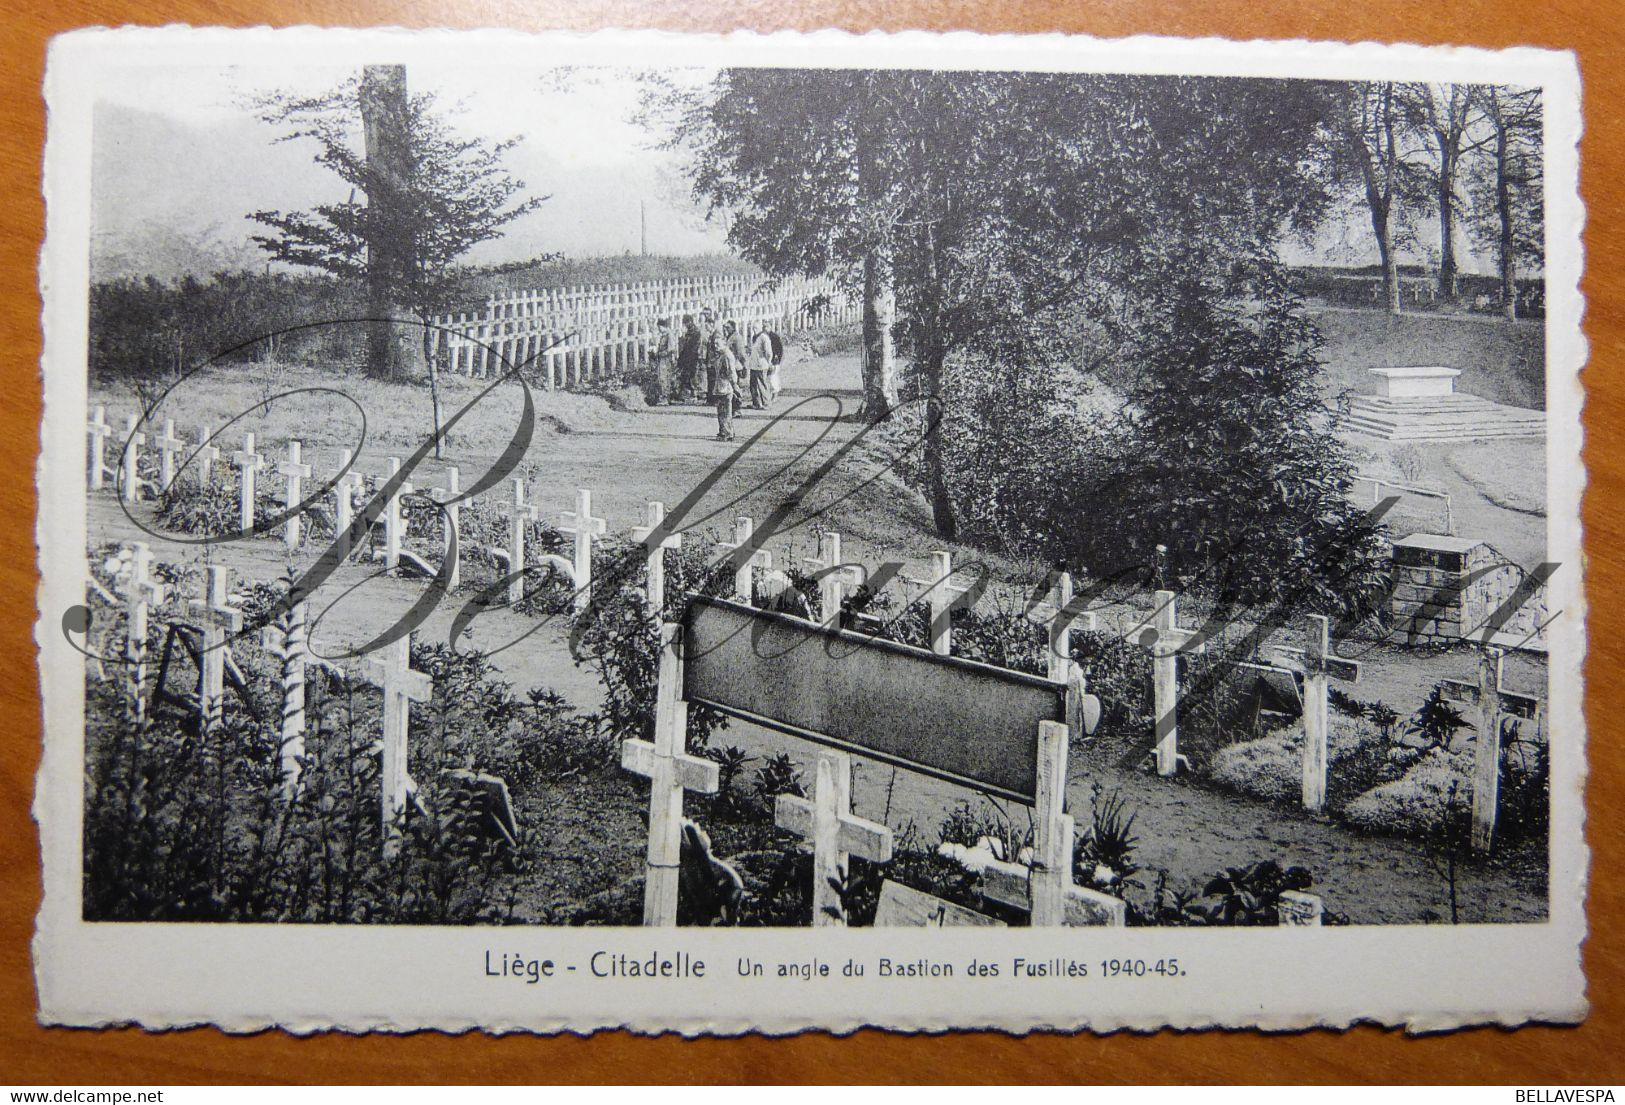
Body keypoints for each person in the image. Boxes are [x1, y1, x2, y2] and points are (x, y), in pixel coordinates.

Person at [705, 315, 743, 441]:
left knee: (725, 412)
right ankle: (725, 432)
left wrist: (735, 386)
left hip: (725, 388)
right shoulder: (721, 354)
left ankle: (726, 433)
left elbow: (731, 372)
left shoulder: (726, 355)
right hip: (721, 387)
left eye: (718, 344)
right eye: (714, 344)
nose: (715, 346)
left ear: (724, 343)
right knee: (722, 411)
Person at [646, 316, 675, 406]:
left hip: (665, 360)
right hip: (662, 359)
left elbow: (671, 349)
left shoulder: (669, 335)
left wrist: (659, 354)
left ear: (663, 326)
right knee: (662, 377)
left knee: (663, 378)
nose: (659, 329)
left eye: (659, 327)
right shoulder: (664, 335)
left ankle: (665, 397)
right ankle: (665, 396)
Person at [723, 320, 749, 419]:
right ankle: (732, 409)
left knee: (735, 388)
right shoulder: (728, 337)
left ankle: (737, 409)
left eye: (728, 328)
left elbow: (741, 353)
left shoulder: (737, 338)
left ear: (733, 328)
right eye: (725, 327)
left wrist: (744, 366)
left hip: (736, 365)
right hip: (729, 365)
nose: (726, 329)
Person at [747, 323, 775, 410]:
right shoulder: (754, 338)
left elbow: (769, 352)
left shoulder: (764, 337)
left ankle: (766, 403)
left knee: (762, 384)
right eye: (753, 328)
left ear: (760, 328)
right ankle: (756, 403)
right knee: (753, 385)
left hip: (761, 365)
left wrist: (768, 362)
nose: (754, 330)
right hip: (753, 365)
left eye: (756, 328)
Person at [677, 313, 702, 402]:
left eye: (687, 323)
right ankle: (688, 393)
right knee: (686, 375)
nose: (686, 325)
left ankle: (694, 393)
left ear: (690, 322)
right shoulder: (688, 332)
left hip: (693, 356)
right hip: (687, 356)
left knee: (693, 375)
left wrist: (691, 355)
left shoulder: (696, 332)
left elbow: (696, 345)